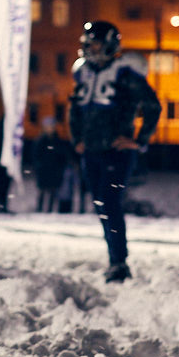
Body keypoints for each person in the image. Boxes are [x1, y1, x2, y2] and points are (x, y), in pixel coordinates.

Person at [68, 21, 161, 283]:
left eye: (97, 44)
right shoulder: (84, 73)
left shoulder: (125, 74)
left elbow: (152, 106)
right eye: (89, 44)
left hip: (115, 151)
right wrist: (77, 140)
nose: (92, 49)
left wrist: (139, 140)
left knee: (109, 202)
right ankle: (115, 257)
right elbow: (74, 108)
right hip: (91, 151)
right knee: (101, 204)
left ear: (110, 44)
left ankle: (118, 261)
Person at [33, 116, 74, 213]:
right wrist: (39, 165)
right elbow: (36, 155)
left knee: (53, 190)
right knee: (42, 190)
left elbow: (63, 154)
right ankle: (40, 209)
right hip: (43, 169)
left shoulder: (58, 140)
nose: (50, 128)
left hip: (54, 169)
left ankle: (49, 210)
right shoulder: (40, 141)